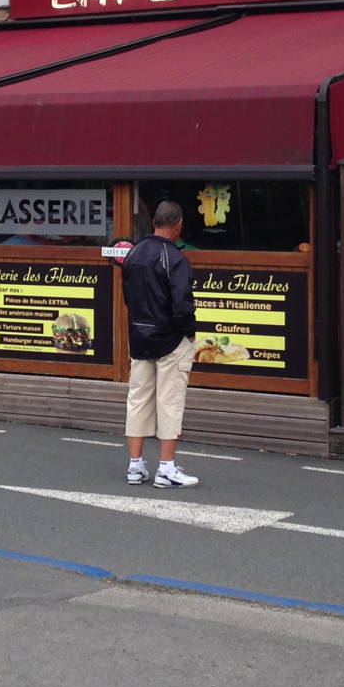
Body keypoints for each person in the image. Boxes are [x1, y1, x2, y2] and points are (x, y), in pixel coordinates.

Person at [122, 199, 200, 488]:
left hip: (139, 337)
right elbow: (182, 305)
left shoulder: (134, 253)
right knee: (170, 401)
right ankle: (166, 468)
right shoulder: (175, 258)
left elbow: (128, 298)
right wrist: (189, 332)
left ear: (154, 222)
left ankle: (135, 466)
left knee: (138, 399)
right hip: (170, 339)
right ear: (178, 225)